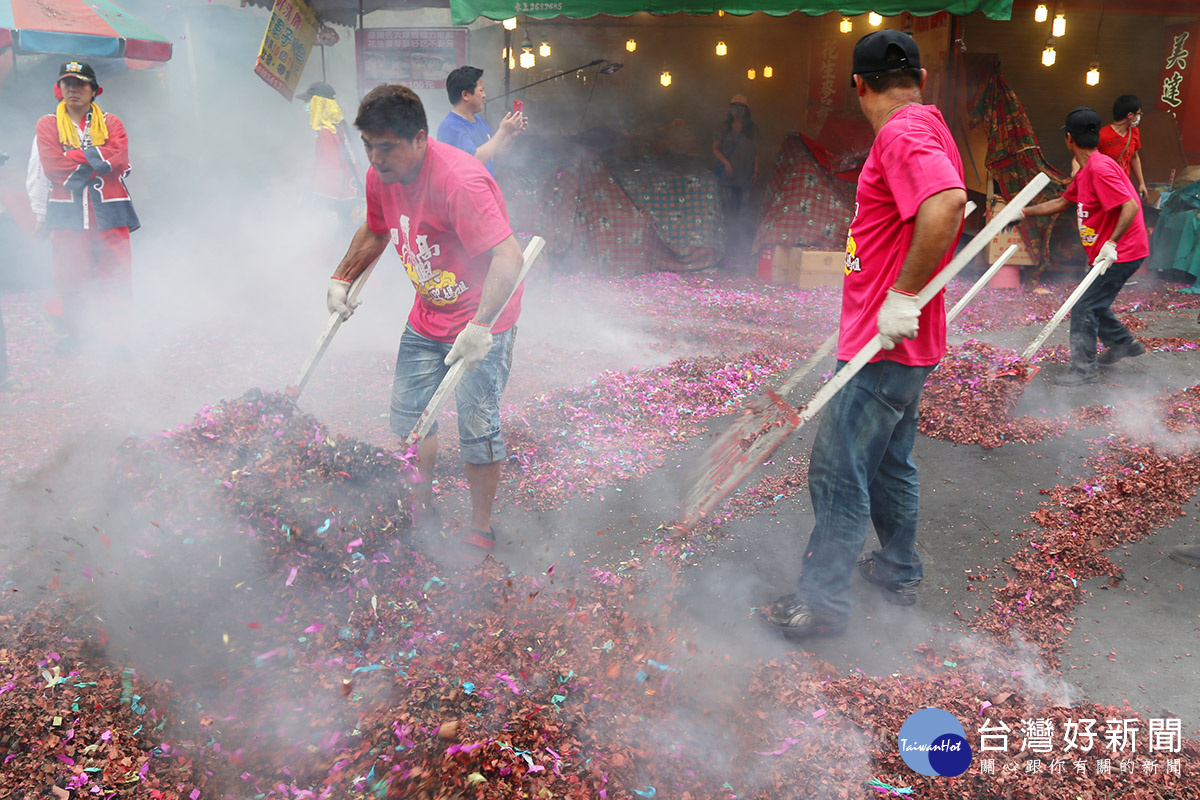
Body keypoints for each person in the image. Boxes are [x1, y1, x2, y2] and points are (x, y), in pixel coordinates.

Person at [766, 30, 965, 638]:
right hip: (906, 344)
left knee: (838, 470)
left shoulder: (903, 132)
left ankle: (822, 604)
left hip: (885, 345)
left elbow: (948, 203)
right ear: (923, 79)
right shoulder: (930, 123)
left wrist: (900, 296)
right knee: (888, 466)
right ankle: (898, 570)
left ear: (858, 84)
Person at [327, 84, 525, 554]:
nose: (376, 158)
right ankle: (421, 508)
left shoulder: (459, 181)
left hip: (483, 317)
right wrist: (342, 277)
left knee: (477, 427)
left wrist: (480, 329)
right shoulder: (383, 177)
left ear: (419, 138)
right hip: (427, 314)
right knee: (411, 419)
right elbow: (376, 229)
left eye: (387, 146)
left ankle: (480, 526)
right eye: (369, 146)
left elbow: (508, 257)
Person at [1019, 107, 1149, 386]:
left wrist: (1111, 243)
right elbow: (1063, 202)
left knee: (1084, 307)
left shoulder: (1100, 169)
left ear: (1069, 138)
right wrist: (1023, 212)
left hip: (1121, 253)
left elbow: (1129, 206)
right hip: (1115, 251)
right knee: (1094, 302)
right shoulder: (1088, 169)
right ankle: (1123, 343)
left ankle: (1084, 369)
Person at [35, 61, 138, 356]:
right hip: (67, 213)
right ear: (59, 88)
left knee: (116, 274)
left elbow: (118, 160)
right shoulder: (47, 124)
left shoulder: (113, 122)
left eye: (81, 84)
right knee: (68, 275)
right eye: (68, 83)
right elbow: (53, 167)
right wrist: (96, 159)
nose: (73, 89)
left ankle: (118, 341)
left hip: (111, 210)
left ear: (94, 90)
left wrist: (74, 154)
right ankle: (78, 335)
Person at [436, 66, 525, 176]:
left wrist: (510, 135)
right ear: (465, 95)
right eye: (481, 90)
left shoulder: (479, 121)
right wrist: (502, 131)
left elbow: (494, 158)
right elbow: (474, 160)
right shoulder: (450, 127)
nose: (484, 95)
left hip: (485, 191)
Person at [297, 82, 359, 222]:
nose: (306, 106)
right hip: (349, 194)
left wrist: (315, 197)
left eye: (308, 102)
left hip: (336, 200)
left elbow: (329, 170)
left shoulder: (327, 132)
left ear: (319, 104)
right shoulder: (340, 127)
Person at [712, 93, 760, 269]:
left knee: (742, 211)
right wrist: (726, 163)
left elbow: (756, 152)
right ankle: (724, 247)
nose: (736, 110)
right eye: (733, 106)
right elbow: (715, 148)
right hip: (727, 177)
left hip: (745, 177)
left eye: (740, 107)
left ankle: (740, 248)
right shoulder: (724, 128)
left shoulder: (752, 130)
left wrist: (756, 171)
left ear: (746, 110)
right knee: (726, 210)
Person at [1087, 95, 1149, 200]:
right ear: (1130, 115)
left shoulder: (1134, 132)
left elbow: (1134, 157)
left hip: (1123, 186)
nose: (1139, 117)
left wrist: (1141, 183)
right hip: (1104, 187)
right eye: (1138, 114)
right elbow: (1087, 157)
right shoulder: (1102, 135)